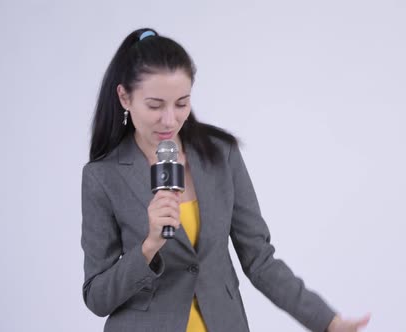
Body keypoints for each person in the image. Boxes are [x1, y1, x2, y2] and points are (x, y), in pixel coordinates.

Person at [81, 28, 370, 332]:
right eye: (155, 105)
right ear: (124, 97)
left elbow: (260, 260)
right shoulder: (103, 176)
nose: (170, 120)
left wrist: (327, 322)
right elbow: (97, 297)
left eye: (181, 103)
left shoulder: (221, 154)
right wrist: (149, 246)